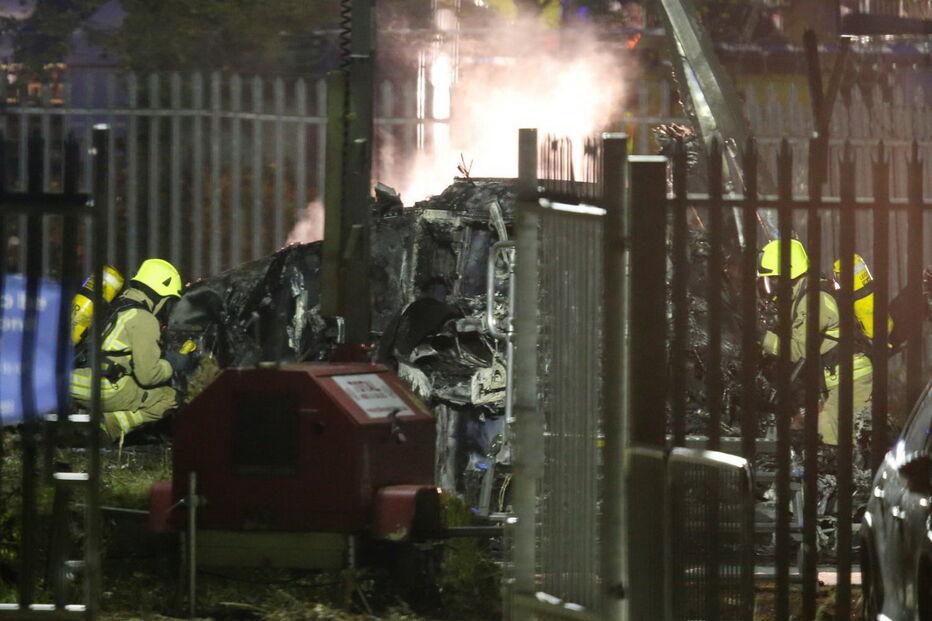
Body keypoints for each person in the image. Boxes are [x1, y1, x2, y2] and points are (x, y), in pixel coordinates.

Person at [757, 239, 873, 446]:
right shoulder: (803, 294)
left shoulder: (814, 300)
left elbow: (797, 350)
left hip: (850, 379)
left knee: (828, 438)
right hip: (834, 379)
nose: (770, 285)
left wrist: (759, 336)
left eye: (772, 279)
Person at [70, 258, 193, 442]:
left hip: (74, 379)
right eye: (168, 300)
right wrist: (173, 363)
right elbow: (148, 376)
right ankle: (107, 428)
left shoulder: (116, 305)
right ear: (161, 295)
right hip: (103, 387)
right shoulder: (144, 319)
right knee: (169, 398)